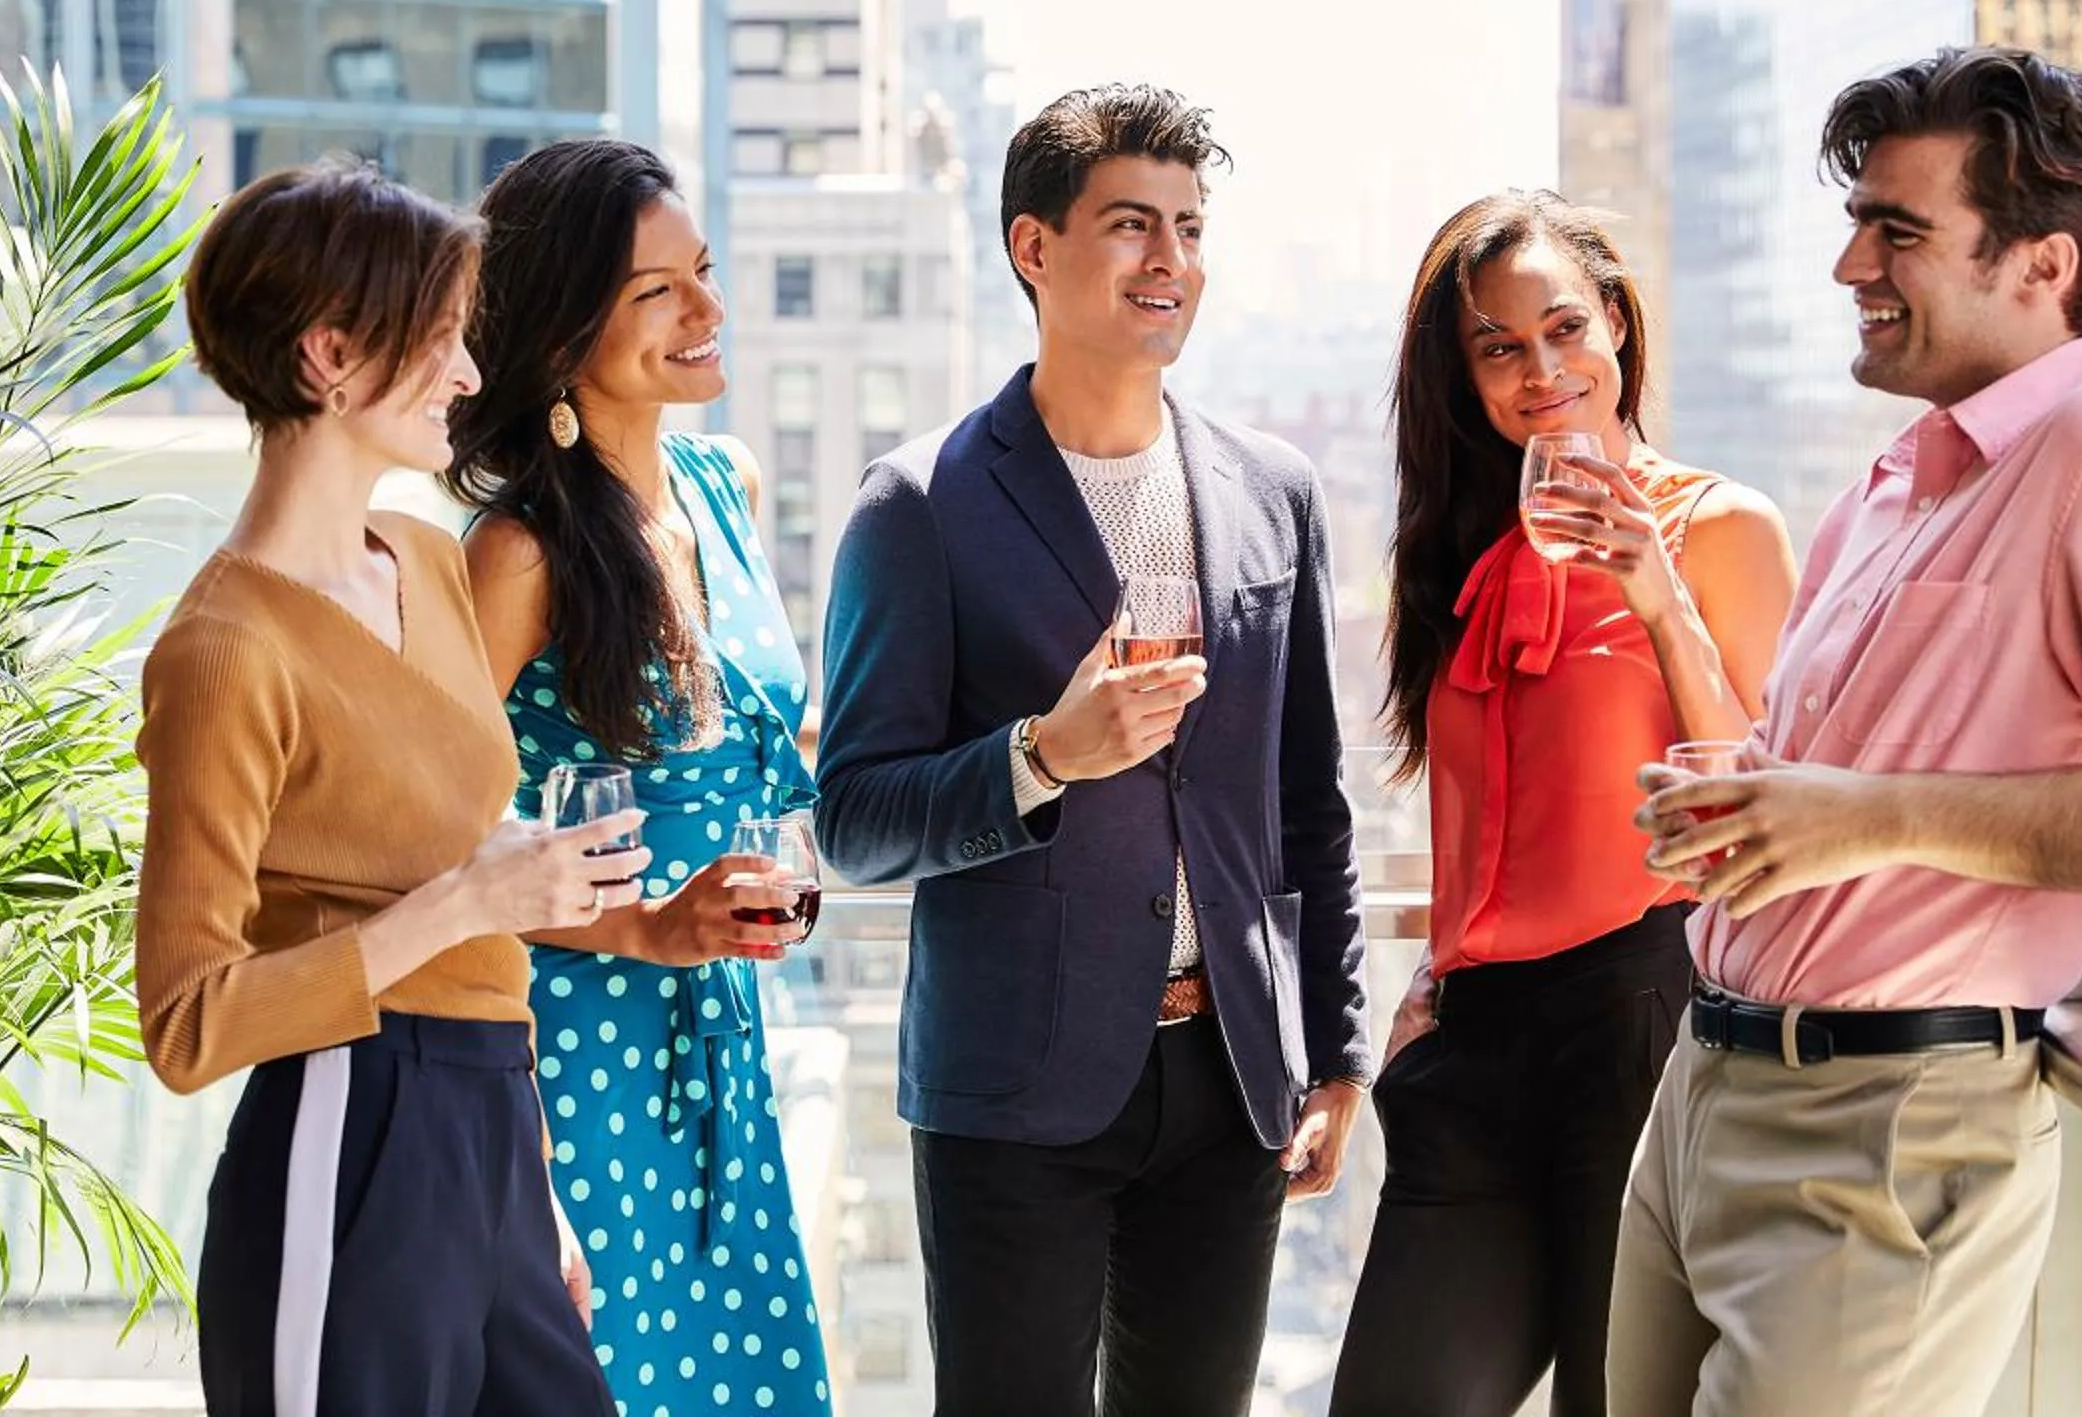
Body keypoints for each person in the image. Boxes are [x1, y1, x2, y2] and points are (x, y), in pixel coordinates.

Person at [1610, 47, 2082, 1416]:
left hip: (1886, 1132)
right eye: (1853, 223)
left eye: (1899, 231)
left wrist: (1869, 817)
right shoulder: (1892, 481)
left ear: (2041, 267)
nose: (1851, 269)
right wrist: (1759, 806)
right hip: (1703, 1095)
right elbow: (1809, 777)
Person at [814, 83, 1372, 1417]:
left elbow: (1313, 807)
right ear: (1034, 248)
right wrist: (1041, 756)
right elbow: (854, 819)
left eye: (1188, 226)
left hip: (1232, 1079)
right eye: (1131, 224)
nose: (1168, 259)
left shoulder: (1272, 492)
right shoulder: (922, 507)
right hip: (1012, 1088)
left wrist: (1337, 1059)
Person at [134, 160, 642, 1415]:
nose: (469, 374)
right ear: (329, 357)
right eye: (439, 341)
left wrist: (530, 1186)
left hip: (491, 1120)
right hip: (347, 1126)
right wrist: (467, 903)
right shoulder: (224, 649)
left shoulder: (425, 556)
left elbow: (473, 892)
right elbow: (186, 1022)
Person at [1330, 192, 1796, 1417]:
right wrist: (1432, 977)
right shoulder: (1473, 563)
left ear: (1620, 330)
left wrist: (1656, 590)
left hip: (1640, 1016)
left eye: (1564, 327)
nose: (1541, 369)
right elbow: (1478, 815)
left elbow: (1759, 803)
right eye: (1497, 345)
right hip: (1473, 1047)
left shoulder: (1722, 527)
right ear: (1467, 378)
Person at [445, 138, 832, 1417]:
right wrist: (643, 922)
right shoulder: (516, 554)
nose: (710, 311)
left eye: (704, 273)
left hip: (723, 1039)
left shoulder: (728, 486)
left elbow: (760, 754)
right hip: (577, 1059)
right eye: (661, 290)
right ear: (562, 334)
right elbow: (430, 834)